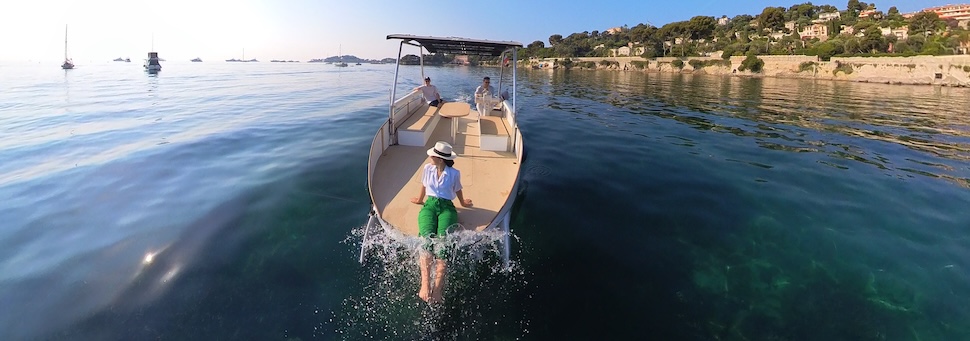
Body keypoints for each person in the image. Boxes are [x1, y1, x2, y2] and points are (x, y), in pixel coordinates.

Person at [409, 141, 473, 304]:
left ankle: (437, 288)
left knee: (443, 242)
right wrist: (419, 199)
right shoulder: (427, 169)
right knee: (427, 238)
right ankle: (425, 284)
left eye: (433, 155)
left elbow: (458, 189)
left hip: (446, 208)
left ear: (440, 159)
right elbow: (424, 185)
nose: (430, 156)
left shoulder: (454, 173)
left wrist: (463, 203)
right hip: (429, 206)